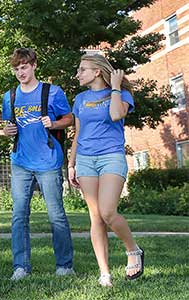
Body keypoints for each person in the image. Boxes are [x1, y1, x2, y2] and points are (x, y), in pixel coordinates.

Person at [68, 53, 144, 287]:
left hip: (111, 156)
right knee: (96, 218)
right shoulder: (80, 99)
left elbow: (115, 115)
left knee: (108, 212)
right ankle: (105, 274)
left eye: (82, 69)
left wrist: (115, 88)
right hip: (86, 160)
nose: (77, 74)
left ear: (97, 71)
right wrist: (71, 164)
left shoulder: (122, 94)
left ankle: (133, 250)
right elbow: (78, 134)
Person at [2, 48, 75, 281]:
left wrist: (53, 124)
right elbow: (8, 126)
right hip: (21, 162)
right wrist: (7, 130)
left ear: (34, 65)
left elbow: (69, 118)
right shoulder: (10, 96)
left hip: (48, 161)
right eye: (16, 68)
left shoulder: (52, 92)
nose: (20, 72)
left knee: (56, 215)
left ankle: (65, 265)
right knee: (19, 215)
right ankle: (20, 267)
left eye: (24, 67)